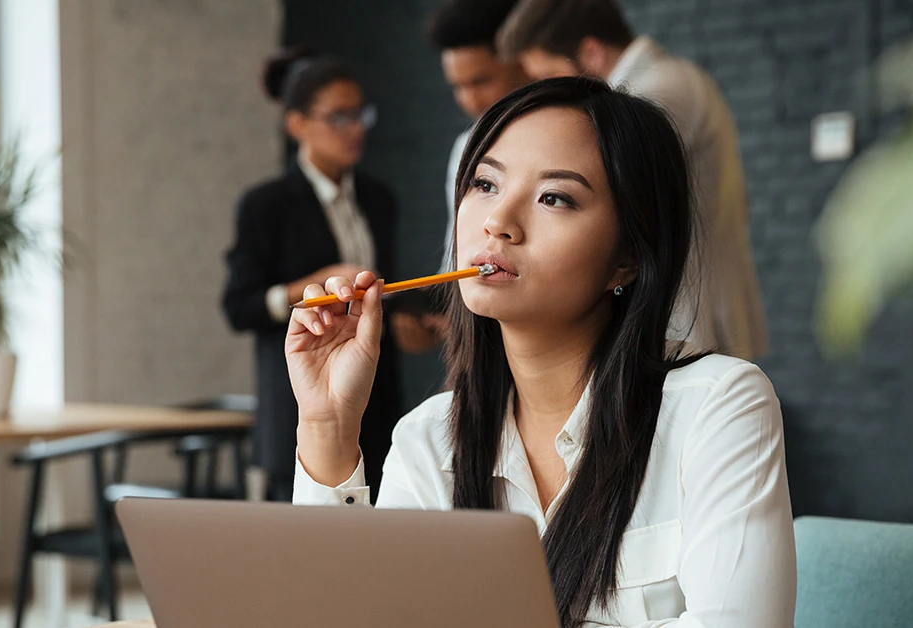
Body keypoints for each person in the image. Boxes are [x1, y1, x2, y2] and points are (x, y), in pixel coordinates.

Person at [286, 77, 795, 627]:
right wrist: (328, 426)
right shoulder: (429, 438)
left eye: (554, 197)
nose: (497, 222)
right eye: (485, 184)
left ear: (626, 257)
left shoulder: (718, 407)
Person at [497, 0, 769, 361]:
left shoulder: (653, 94)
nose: (550, 94)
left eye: (549, 76)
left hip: (688, 319)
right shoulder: (675, 79)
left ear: (591, 53)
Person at [221, 49, 400, 502]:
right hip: (299, 405)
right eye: (339, 116)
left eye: (360, 114)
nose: (356, 128)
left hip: (376, 403)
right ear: (297, 124)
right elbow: (239, 306)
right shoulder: (266, 205)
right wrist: (310, 286)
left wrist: (404, 322)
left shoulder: (379, 199)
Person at [390, 0, 532, 355]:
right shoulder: (465, 148)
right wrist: (430, 311)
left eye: (481, 80)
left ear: (523, 58)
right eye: (458, 85)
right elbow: (457, 258)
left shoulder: (581, 137)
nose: (469, 100)